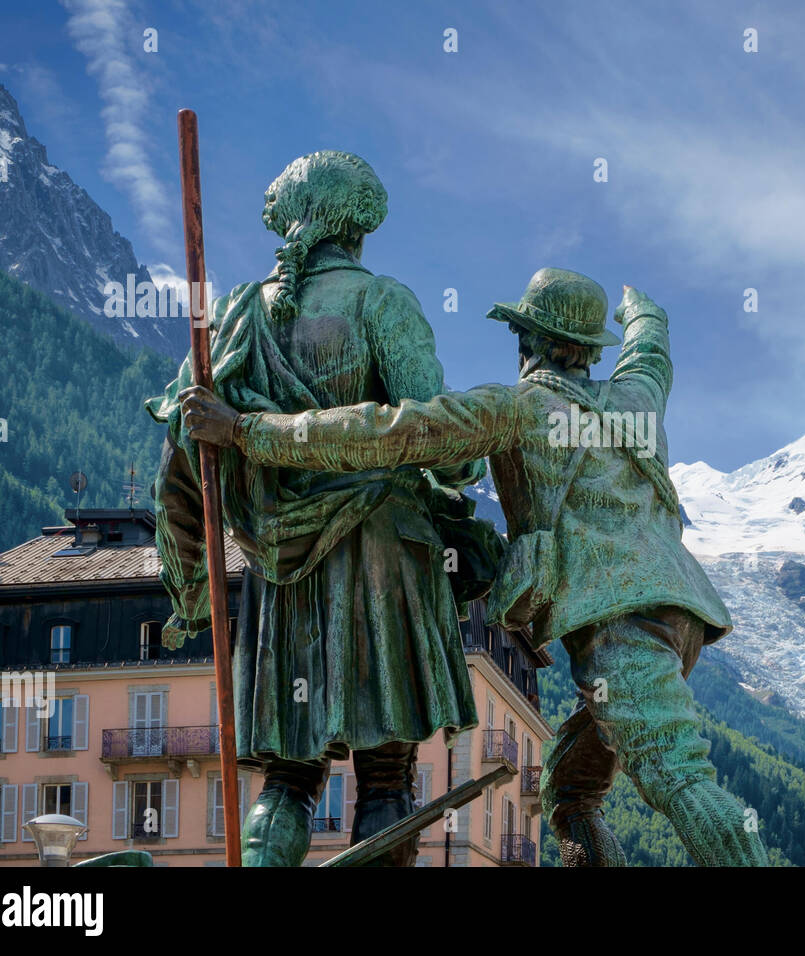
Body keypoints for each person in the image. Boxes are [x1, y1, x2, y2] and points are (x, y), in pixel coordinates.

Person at [179, 268, 769, 866]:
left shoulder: (514, 408)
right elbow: (651, 352)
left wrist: (246, 431)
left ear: (526, 341)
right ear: (591, 350)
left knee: (679, 777)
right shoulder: (637, 400)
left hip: (621, 624)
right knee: (571, 791)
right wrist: (639, 309)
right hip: (682, 613)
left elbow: (385, 433)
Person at [146, 151, 482, 866]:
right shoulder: (382, 301)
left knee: (289, 778)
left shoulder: (234, 315)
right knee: (386, 775)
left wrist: (191, 586)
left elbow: (181, 458)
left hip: (281, 569)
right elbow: (440, 440)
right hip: (384, 553)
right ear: (357, 230)